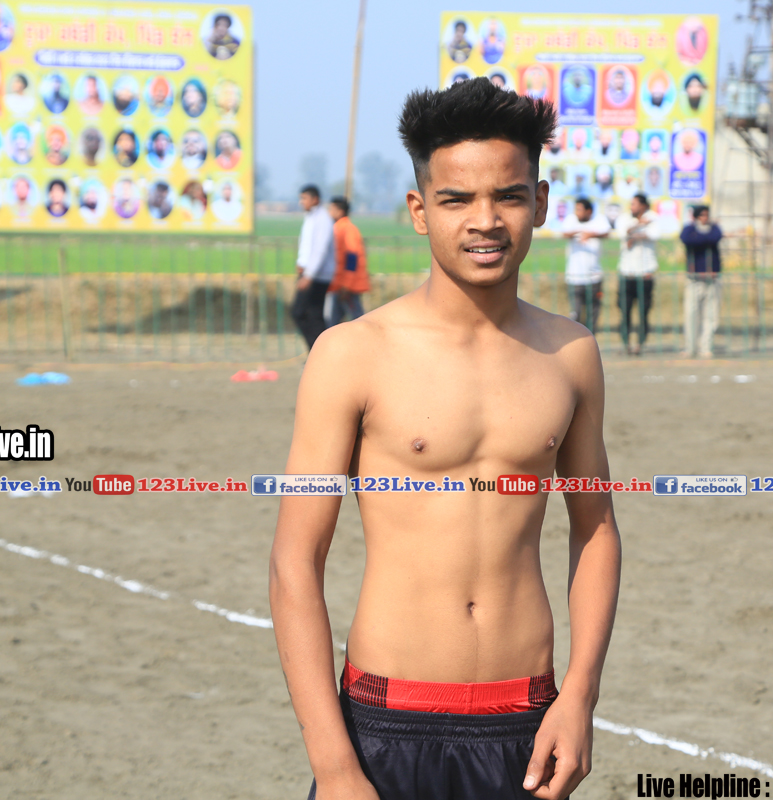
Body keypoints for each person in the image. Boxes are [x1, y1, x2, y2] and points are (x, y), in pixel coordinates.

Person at [271, 76, 620, 800]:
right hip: (384, 724)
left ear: (540, 203)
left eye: (508, 196)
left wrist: (579, 695)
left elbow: (595, 529)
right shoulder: (352, 353)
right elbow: (295, 561)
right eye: (457, 199)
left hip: (525, 722)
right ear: (419, 209)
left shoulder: (572, 353)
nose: (485, 221)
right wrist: (335, 766)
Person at [291, 185, 336, 350]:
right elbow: (307, 245)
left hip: (317, 275)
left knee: (301, 313)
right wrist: (301, 263)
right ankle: (321, 354)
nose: (301, 202)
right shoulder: (311, 217)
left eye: (304, 198)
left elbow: (319, 250)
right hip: (309, 273)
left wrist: (309, 275)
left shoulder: (322, 219)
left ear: (315, 199)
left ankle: (320, 352)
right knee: (313, 315)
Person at [615, 194, 658, 355]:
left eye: (634, 204)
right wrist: (639, 225)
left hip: (645, 272)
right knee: (624, 311)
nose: (631, 207)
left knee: (643, 311)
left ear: (643, 206)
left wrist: (633, 235)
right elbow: (622, 232)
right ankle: (626, 343)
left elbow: (654, 234)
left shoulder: (653, 217)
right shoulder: (625, 218)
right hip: (627, 272)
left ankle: (640, 343)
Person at [560, 197, 611, 333]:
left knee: (593, 312)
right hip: (574, 276)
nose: (577, 212)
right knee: (575, 313)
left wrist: (591, 234)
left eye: (580, 210)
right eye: (576, 209)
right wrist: (580, 232)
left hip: (594, 276)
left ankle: (591, 338)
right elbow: (564, 233)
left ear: (589, 211)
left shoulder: (599, 220)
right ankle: (577, 340)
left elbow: (606, 233)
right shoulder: (571, 220)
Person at [680, 204, 723, 358]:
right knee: (691, 314)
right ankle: (690, 348)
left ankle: (706, 347)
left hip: (712, 279)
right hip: (694, 279)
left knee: (711, 316)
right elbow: (687, 239)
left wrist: (701, 237)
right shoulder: (689, 229)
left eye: (706, 215)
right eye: (701, 215)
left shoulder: (714, 228)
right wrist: (703, 237)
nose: (705, 218)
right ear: (696, 217)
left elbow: (715, 237)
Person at [326, 196, 370, 326]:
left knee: (357, 320)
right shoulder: (339, 227)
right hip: (340, 284)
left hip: (347, 285)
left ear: (340, 211)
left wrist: (346, 284)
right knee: (333, 322)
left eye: (331, 209)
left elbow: (352, 256)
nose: (329, 212)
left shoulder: (347, 229)